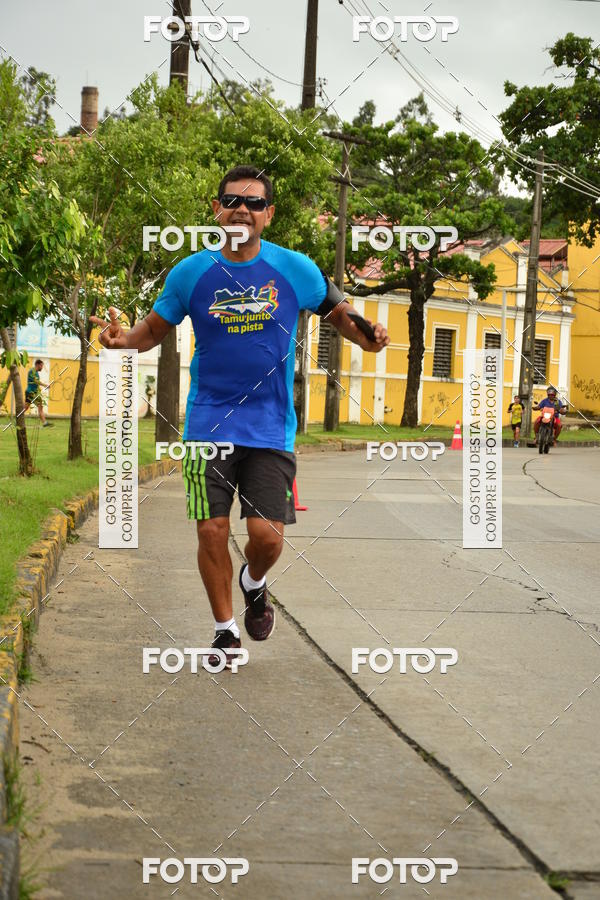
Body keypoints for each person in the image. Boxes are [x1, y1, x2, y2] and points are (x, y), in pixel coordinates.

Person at [91, 164, 390, 665]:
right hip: (206, 423)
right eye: (232, 201)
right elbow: (151, 331)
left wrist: (370, 337)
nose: (242, 211)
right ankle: (225, 632)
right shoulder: (191, 273)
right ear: (216, 210)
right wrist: (122, 342)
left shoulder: (296, 269)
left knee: (265, 537)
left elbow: (345, 317)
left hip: (271, 427)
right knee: (210, 529)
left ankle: (254, 580)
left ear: (268, 214)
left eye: (254, 203)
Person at [24, 359, 52, 426]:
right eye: (41, 365)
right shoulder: (32, 371)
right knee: (26, 407)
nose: (42, 367)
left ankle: (45, 423)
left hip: (33, 392)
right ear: (37, 365)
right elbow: (36, 381)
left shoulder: (36, 372)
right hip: (31, 392)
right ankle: (44, 423)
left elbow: (35, 384)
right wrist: (45, 385)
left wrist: (39, 390)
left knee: (37, 406)